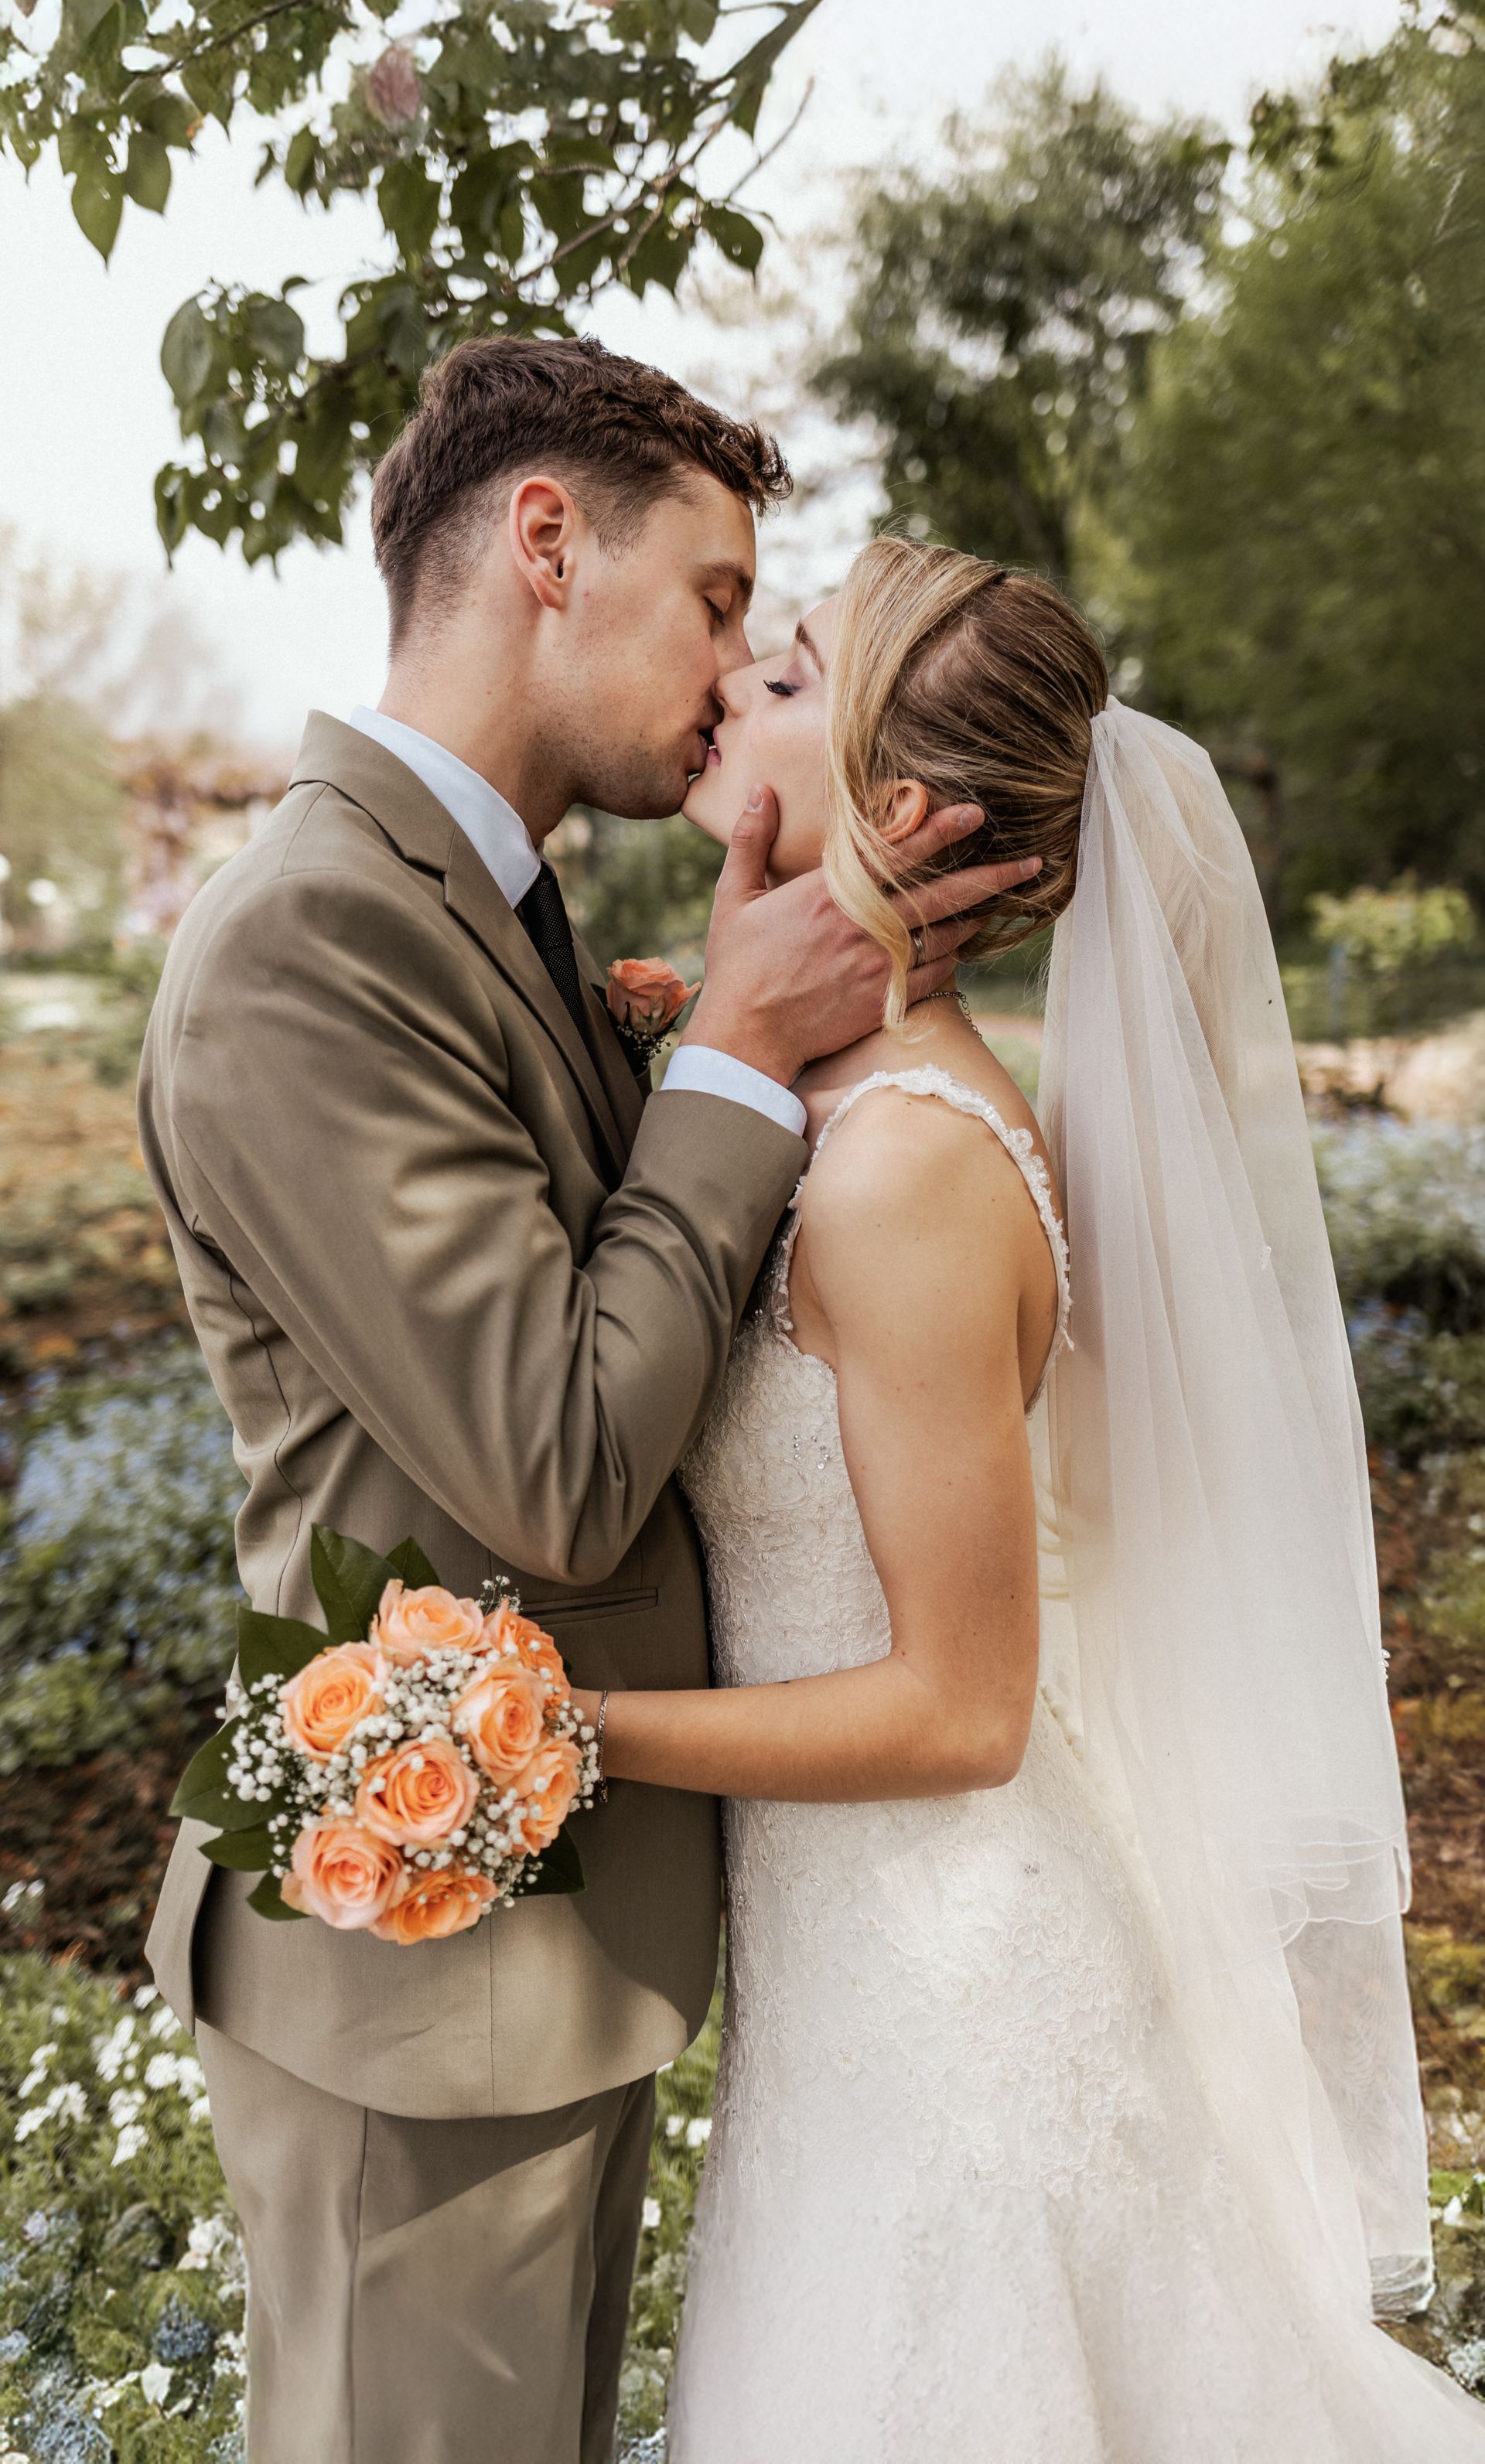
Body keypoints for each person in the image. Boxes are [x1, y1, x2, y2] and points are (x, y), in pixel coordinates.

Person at [136, 339, 1036, 2464]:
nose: (737, 676)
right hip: (415, 1975)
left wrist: (734, 1048)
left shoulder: (493, 905)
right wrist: (724, 1055)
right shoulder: (312, 933)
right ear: (548, 539)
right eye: (721, 600)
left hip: (532, 1946)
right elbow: (555, 1459)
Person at [568, 538, 1485, 2462]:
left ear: (896, 808)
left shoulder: (905, 1171)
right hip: (860, 1986)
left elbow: (963, 1706)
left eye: (792, 672)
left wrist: (564, 1737)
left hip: (958, 2008)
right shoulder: (818, 1107)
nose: (736, 684)